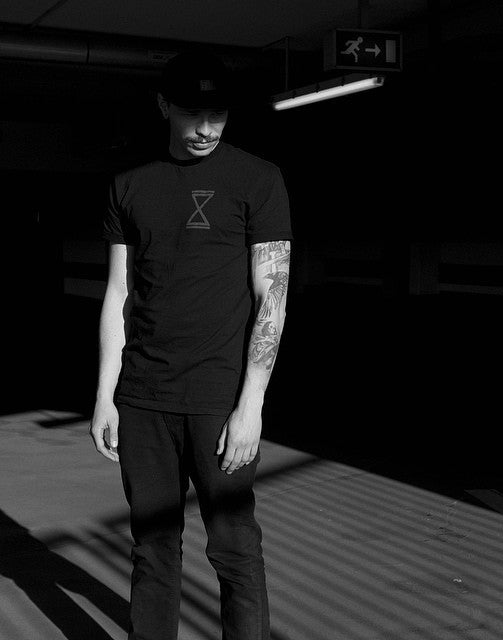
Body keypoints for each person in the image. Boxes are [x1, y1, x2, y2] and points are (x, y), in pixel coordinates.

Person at [89, 50, 292, 640]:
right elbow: (120, 293)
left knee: (233, 546)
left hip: (218, 399)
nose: (206, 128)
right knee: (153, 549)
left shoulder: (257, 179)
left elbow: (272, 295)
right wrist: (105, 395)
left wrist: (251, 405)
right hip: (144, 398)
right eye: (192, 114)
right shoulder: (129, 185)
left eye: (218, 114)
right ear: (163, 107)